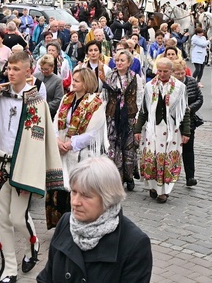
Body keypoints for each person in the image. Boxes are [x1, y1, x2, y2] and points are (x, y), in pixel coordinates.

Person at [0, 51, 64, 283]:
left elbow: (40, 140)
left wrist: (34, 170)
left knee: (18, 217)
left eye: (15, 69)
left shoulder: (36, 102)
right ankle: (9, 269)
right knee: (3, 218)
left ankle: (33, 245)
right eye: (9, 69)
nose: (10, 73)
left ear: (27, 71)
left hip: (22, 166)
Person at [36, 156, 152, 283]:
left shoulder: (134, 243)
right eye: (74, 192)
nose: (75, 202)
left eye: (86, 195)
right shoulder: (65, 222)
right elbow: (46, 278)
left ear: (107, 198)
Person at [46, 68, 107, 229]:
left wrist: (72, 143)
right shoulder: (67, 98)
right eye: (73, 79)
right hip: (61, 148)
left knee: (77, 188)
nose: (72, 82)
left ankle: (79, 224)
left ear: (86, 83)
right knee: (60, 190)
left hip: (81, 152)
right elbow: (56, 120)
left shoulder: (96, 103)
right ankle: (61, 226)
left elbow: (93, 132)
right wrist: (57, 140)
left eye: (77, 80)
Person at [133, 57, 190, 203]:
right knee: (152, 157)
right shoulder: (149, 86)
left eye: (166, 71)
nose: (162, 74)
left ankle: (164, 191)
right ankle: (153, 186)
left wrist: (186, 131)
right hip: (153, 128)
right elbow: (144, 110)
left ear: (171, 71)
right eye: (160, 71)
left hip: (171, 129)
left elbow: (184, 111)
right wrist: (137, 130)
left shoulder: (179, 87)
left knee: (167, 159)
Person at [104, 50, 144, 191]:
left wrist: (137, 115)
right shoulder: (110, 76)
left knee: (129, 147)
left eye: (122, 60)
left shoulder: (135, 77)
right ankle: (115, 177)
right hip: (112, 115)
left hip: (129, 116)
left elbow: (139, 96)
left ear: (129, 63)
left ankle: (129, 176)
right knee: (113, 146)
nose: (119, 63)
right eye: (117, 60)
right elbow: (105, 97)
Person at [172, 58, 203, 187]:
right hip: (173, 122)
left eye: (182, 73)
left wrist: (190, 109)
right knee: (173, 149)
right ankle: (172, 174)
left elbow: (200, 99)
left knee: (188, 149)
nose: (180, 76)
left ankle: (190, 176)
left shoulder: (191, 82)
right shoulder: (170, 84)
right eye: (177, 73)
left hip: (189, 120)